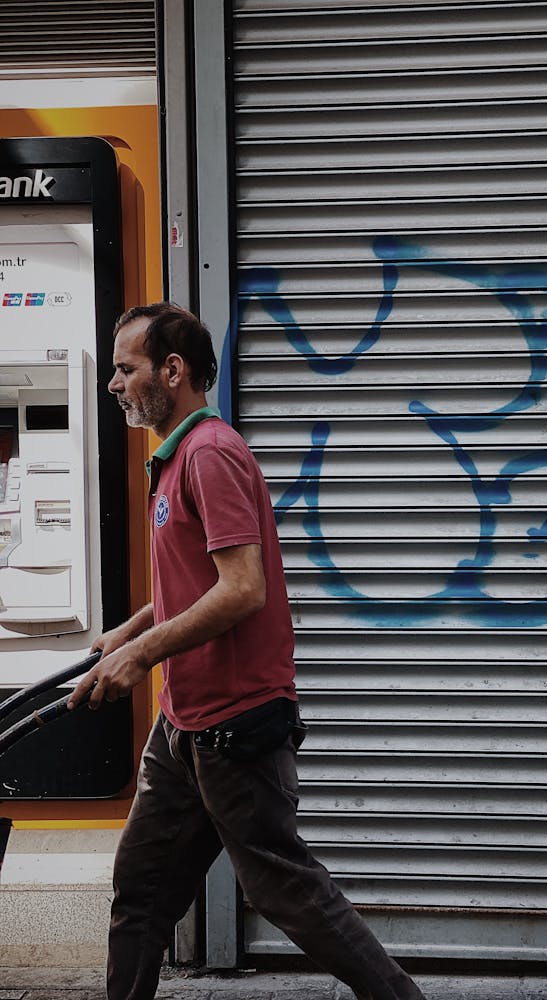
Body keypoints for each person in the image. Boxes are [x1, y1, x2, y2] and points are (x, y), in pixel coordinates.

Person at [68, 302, 425, 1000]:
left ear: (173, 371)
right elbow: (197, 580)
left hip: (236, 727)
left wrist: (141, 658)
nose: (113, 384)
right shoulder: (173, 458)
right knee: (139, 894)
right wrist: (132, 632)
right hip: (186, 727)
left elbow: (241, 589)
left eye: (125, 368)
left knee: (291, 893)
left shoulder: (210, 454)